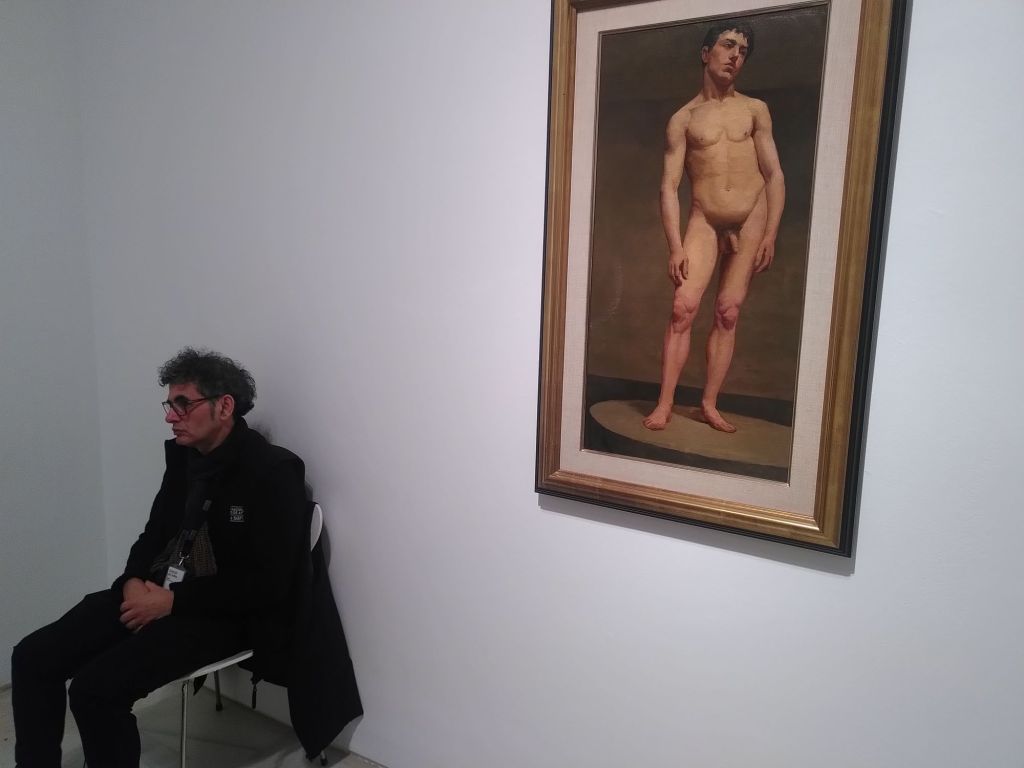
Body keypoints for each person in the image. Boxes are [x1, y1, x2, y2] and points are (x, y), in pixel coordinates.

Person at [12, 348, 308, 768]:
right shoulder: (186, 460)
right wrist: (132, 581)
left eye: (183, 404)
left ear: (224, 406)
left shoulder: (273, 471)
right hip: (157, 591)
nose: (171, 416)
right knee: (32, 657)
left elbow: (268, 584)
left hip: (224, 615)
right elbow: (154, 535)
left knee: (95, 691)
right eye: (169, 405)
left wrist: (172, 602)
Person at [643, 20, 785, 432]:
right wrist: (675, 245)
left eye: (743, 51)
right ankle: (665, 403)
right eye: (728, 45)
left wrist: (771, 232)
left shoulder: (755, 110)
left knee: (728, 311)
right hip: (704, 219)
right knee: (682, 308)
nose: (735, 55)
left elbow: (774, 174)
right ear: (706, 53)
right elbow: (669, 187)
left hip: (751, 217)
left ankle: (709, 403)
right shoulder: (683, 119)